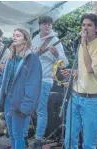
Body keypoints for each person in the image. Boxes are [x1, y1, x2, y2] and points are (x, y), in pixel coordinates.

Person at [61, 13, 97, 149]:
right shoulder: (81, 47)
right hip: (75, 96)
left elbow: (90, 69)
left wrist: (83, 43)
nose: (85, 28)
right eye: (83, 25)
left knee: (89, 143)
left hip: (92, 101)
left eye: (89, 25)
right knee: (69, 139)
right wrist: (74, 72)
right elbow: (84, 71)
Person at [0, 28, 42, 149]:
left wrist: (26, 106)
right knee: (11, 134)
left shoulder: (32, 59)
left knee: (18, 134)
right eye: (13, 35)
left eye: (18, 36)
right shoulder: (11, 58)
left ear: (25, 40)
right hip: (8, 100)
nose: (14, 37)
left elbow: (33, 85)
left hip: (20, 101)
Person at [31, 15, 69, 148]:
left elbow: (65, 63)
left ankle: (38, 139)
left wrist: (56, 55)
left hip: (45, 80)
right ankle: (26, 135)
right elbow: (29, 59)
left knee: (41, 110)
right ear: (40, 25)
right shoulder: (35, 39)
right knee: (29, 108)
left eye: (49, 24)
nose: (47, 26)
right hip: (31, 80)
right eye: (45, 24)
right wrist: (37, 52)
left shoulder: (55, 40)